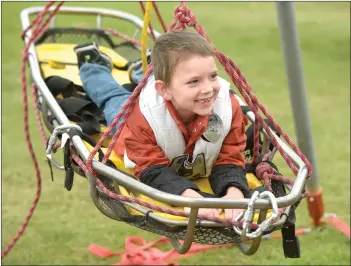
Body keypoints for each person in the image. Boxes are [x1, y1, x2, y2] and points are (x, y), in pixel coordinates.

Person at [74, 31, 251, 221]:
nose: (208, 88)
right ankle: (93, 66)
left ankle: (147, 69)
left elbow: (230, 155)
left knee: (171, 79)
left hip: (170, 96)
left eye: (213, 76)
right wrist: (189, 197)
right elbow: (151, 167)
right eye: (194, 81)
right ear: (164, 90)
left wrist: (234, 192)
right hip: (131, 125)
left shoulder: (227, 107)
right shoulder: (142, 116)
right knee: (112, 97)